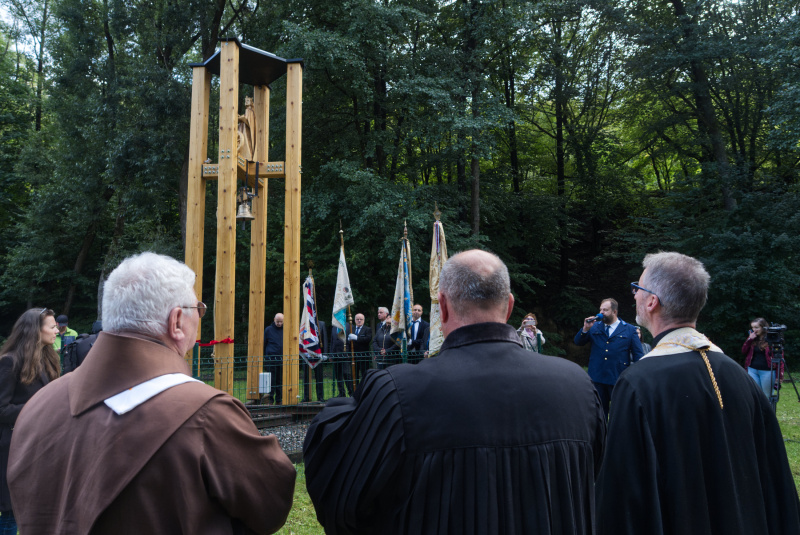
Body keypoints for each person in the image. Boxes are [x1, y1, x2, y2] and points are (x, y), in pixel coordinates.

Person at [304, 249, 606, 535]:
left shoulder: (398, 394)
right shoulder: (579, 388)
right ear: (510, 306)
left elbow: (340, 500)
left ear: (443, 306)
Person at [7, 252, 296, 534]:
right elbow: (270, 508)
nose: (201, 317)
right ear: (177, 321)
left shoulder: (38, 405)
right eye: (199, 309)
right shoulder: (208, 414)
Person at [596, 251, 800, 535]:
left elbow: (623, 496)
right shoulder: (739, 377)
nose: (634, 296)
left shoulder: (638, 383)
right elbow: (777, 485)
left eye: (638, 289)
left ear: (652, 301)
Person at [0, 308, 60, 534]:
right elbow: (1, 409)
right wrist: (39, 408)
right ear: (36, 330)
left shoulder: (48, 358)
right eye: (52, 326)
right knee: (10, 514)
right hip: (13, 447)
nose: (57, 331)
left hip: (41, 446)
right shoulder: (8, 362)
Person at [574, 298, 644, 418]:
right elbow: (578, 342)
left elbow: (638, 355)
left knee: (620, 414)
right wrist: (585, 329)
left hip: (618, 377)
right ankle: (601, 436)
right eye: (600, 309)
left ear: (614, 312)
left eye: (605, 310)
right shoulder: (594, 327)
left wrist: (637, 377)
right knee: (598, 414)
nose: (601, 313)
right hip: (597, 377)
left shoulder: (629, 330)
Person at [742, 317, 781, 398]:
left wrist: (779, 377)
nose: (754, 329)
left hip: (767, 371)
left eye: (756, 327)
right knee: (755, 394)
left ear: (763, 327)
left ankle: (767, 410)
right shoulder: (753, 338)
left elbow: (779, 357)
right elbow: (744, 351)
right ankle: (758, 411)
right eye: (752, 327)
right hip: (752, 369)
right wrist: (749, 339)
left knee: (766, 395)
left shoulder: (772, 338)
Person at [302, 319, 327, 402]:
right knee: (306, 377)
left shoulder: (321, 324)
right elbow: (301, 337)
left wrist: (325, 353)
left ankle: (320, 397)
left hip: (318, 354)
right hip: (306, 354)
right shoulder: (304, 324)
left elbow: (325, 339)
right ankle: (306, 397)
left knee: (319, 377)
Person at [346, 313, 372, 389]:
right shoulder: (352, 329)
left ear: (364, 320)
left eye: (361, 319)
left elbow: (367, 339)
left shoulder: (367, 329)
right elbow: (348, 343)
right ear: (354, 320)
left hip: (363, 357)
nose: (359, 321)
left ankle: (365, 390)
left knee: (364, 375)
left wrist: (356, 338)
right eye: (357, 319)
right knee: (354, 375)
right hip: (354, 356)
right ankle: (356, 390)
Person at [263, 313, 284, 405]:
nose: (279, 323)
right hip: (271, 358)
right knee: (271, 379)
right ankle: (270, 399)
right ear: (274, 320)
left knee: (280, 380)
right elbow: (264, 343)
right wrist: (265, 356)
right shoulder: (268, 330)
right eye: (277, 321)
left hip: (282, 358)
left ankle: (279, 399)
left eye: (281, 322)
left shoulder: (285, 330)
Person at [330, 325, 353, 397]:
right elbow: (332, 342)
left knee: (346, 374)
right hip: (336, 355)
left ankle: (351, 392)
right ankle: (341, 393)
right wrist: (331, 354)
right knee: (338, 375)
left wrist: (349, 353)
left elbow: (351, 342)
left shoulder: (349, 327)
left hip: (345, 355)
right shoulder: (334, 327)